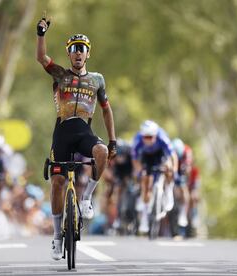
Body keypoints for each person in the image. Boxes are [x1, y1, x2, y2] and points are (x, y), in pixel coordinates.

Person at [36, 13, 117, 260]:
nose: (78, 53)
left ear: (88, 54)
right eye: (74, 50)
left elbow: (106, 110)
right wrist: (41, 34)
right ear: (69, 54)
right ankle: (57, 237)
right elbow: (41, 57)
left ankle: (87, 197)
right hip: (62, 130)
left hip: (84, 130)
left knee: (101, 152)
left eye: (82, 49)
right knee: (58, 182)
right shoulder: (61, 74)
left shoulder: (97, 80)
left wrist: (113, 140)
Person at [132, 120, 178, 234]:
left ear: (156, 135)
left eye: (150, 137)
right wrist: (139, 171)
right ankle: (145, 216)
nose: (147, 140)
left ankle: (168, 190)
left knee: (168, 167)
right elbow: (135, 160)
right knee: (145, 180)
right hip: (147, 157)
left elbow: (173, 155)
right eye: (145, 137)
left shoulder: (162, 137)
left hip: (161, 154)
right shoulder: (137, 140)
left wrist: (174, 169)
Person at [171, 138, 192, 236]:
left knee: (184, 188)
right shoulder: (170, 150)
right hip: (174, 168)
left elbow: (188, 168)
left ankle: (183, 213)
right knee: (175, 191)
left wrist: (184, 179)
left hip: (183, 170)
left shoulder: (187, 151)